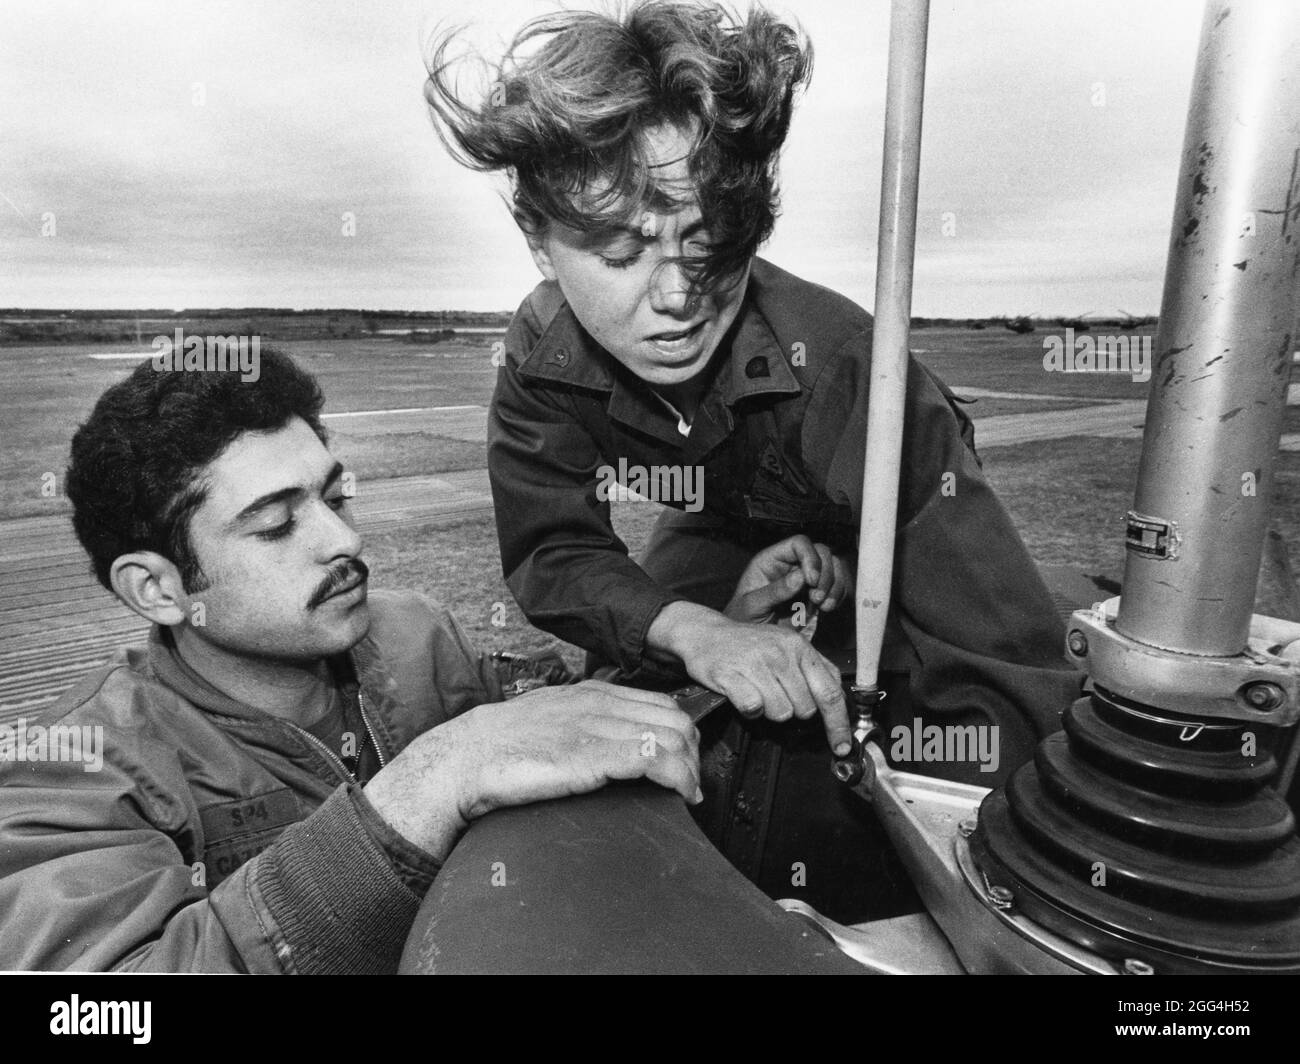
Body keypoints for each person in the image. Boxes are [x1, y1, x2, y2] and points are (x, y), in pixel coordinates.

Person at [423, 0, 1085, 807]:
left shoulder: (849, 372)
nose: (678, 297)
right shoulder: (540, 355)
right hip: (715, 510)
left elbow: (1003, 662)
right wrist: (696, 630)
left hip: (883, 514)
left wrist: (975, 848)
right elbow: (554, 551)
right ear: (538, 241)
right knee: (630, 685)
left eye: (708, 246)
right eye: (621, 252)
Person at [0, 349, 729, 973]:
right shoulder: (72, 769)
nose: (343, 542)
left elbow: (568, 724)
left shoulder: (416, 632)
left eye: (335, 497)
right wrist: (432, 779)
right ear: (157, 587)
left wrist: (716, 634)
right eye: (278, 525)